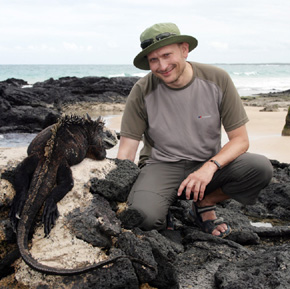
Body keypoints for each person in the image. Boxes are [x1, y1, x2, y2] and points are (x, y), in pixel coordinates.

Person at [117, 22, 273, 237]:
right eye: (154, 59)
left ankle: (203, 205)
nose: (162, 66)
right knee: (144, 218)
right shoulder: (142, 90)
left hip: (207, 166)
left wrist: (209, 167)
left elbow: (240, 140)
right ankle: (162, 207)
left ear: (184, 49)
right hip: (161, 165)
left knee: (260, 167)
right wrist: (119, 190)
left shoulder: (217, 79)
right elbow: (127, 149)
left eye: (166, 55)